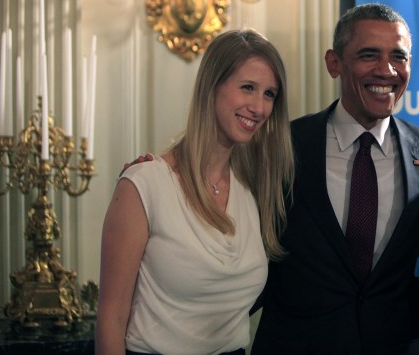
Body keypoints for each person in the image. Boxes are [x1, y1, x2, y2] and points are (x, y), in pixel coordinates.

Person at [250, 3, 419, 355]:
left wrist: (397, 304)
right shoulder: (279, 146)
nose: (386, 70)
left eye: (399, 57)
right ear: (334, 63)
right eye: (368, 55)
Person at [95, 29, 295, 355]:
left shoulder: (258, 188)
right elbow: (111, 319)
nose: (258, 107)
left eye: (270, 94)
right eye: (248, 88)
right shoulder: (144, 185)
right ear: (211, 87)